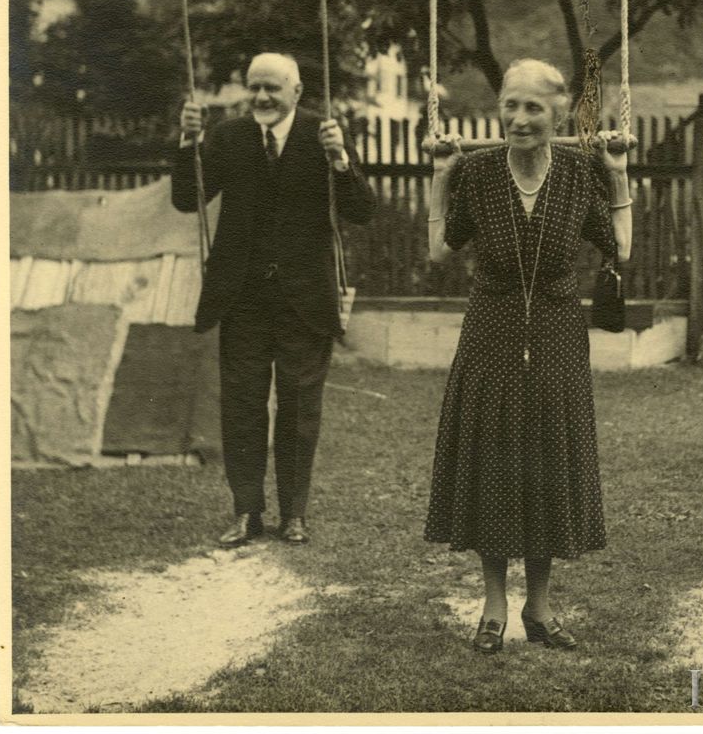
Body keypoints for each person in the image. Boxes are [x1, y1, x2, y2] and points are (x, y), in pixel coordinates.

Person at [423, 58, 632, 654]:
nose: (519, 119)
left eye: (533, 108)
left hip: (558, 333)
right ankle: (493, 605)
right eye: (509, 106)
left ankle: (538, 606)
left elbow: (621, 247)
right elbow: (438, 251)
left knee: (547, 462)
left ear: (558, 115)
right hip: (490, 330)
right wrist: (440, 178)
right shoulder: (478, 172)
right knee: (492, 461)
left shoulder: (579, 172)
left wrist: (617, 177)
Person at [172, 52, 375, 547]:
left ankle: (294, 514)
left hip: (305, 299)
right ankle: (247, 511)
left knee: (299, 407)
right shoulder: (228, 137)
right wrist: (187, 141)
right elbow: (186, 198)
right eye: (255, 87)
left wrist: (341, 161)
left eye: (272, 88)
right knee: (242, 405)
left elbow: (362, 210)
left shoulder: (323, 134)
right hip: (241, 297)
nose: (261, 97)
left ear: (297, 92)